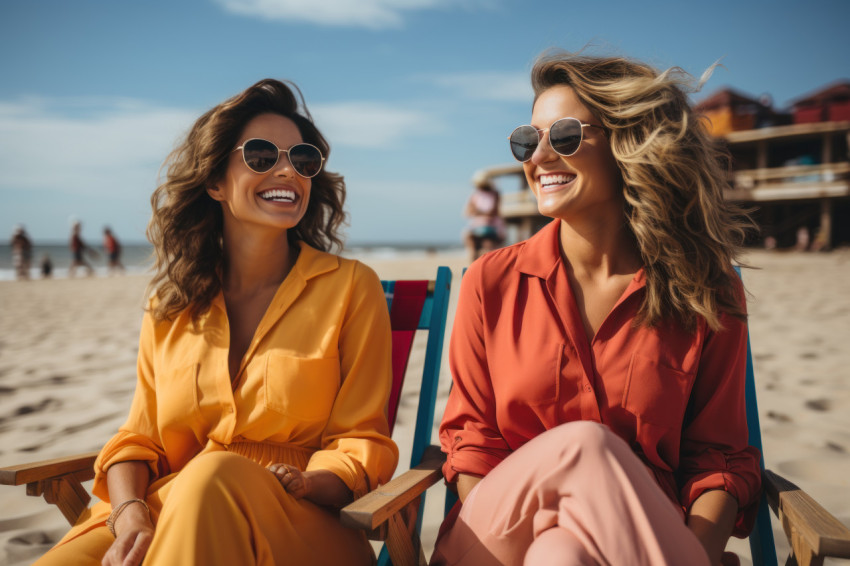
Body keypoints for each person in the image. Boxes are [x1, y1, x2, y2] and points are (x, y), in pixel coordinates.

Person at [35, 79, 398, 566]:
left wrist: (311, 480)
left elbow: (361, 439)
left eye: (303, 159)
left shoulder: (351, 287)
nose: (288, 170)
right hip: (168, 502)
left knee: (210, 482)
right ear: (214, 182)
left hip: (300, 519)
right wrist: (130, 512)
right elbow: (138, 438)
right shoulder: (171, 304)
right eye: (262, 156)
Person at [432, 51, 762, 566]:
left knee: (561, 555)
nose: (538, 158)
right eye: (527, 140)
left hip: (629, 538)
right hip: (494, 537)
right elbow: (473, 443)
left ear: (626, 141)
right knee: (586, 446)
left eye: (562, 136)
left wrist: (694, 544)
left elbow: (718, 458)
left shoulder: (706, 290)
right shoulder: (490, 283)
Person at [462, 178, 505, 261]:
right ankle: (474, 267)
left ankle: (476, 267)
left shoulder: (493, 194)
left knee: (486, 247)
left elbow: (493, 212)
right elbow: (469, 211)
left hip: (490, 226)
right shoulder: (476, 195)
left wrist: (478, 212)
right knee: (474, 247)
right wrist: (483, 213)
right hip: (480, 226)